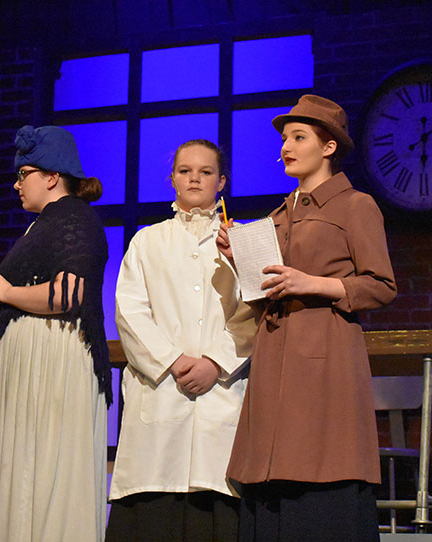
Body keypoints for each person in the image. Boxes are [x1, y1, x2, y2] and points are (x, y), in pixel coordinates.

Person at [218, 95, 397, 542]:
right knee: (271, 478)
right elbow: (266, 295)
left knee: (321, 470)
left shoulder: (354, 205)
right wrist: (240, 259)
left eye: (299, 138)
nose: (286, 147)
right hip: (275, 355)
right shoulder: (278, 216)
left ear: (329, 146)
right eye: (284, 139)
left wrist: (312, 283)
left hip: (324, 355)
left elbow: (381, 285)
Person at [0, 125, 111, 542]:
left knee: (42, 470)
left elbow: (70, 293)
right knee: (21, 473)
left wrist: (7, 293)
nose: (17, 184)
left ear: (52, 176)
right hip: (31, 364)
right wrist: (4, 300)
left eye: (24, 174)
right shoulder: (44, 223)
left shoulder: (75, 217)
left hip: (50, 363)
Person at [106, 139, 256, 542]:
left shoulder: (242, 240)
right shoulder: (147, 241)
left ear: (221, 182)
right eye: (185, 171)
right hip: (162, 390)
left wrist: (215, 363)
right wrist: (173, 360)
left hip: (221, 391)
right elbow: (130, 310)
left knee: (215, 499)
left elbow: (254, 312)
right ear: (172, 178)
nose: (194, 179)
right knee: (156, 500)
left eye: (206, 172)